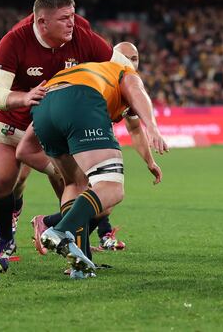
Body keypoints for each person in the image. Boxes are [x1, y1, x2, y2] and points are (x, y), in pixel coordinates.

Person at [0, 0, 112, 273]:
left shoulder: (81, 34)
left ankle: (74, 249)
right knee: (0, 182)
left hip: (56, 129)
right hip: (14, 124)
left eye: (72, 15)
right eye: (64, 18)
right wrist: (24, 97)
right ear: (42, 23)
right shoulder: (14, 40)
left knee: (85, 196)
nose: (72, 23)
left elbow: (114, 67)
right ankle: (4, 240)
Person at [9, 0, 126, 253]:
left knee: (78, 182)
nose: (64, 3)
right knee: (23, 177)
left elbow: (110, 63)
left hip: (72, 110)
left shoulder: (79, 28)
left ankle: (80, 243)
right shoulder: (22, 32)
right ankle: (37, 225)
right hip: (38, 110)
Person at [27, 42, 162, 261]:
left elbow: (25, 149)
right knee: (111, 189)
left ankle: (80, 259)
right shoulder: (123, 73)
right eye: (125, 57)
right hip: (80, 103)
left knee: (75, 184)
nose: (130, 62)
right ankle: (59, 229)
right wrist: (154, 128)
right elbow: (138, 92)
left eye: (134, 58)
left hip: (43, 106)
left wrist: (149, 161)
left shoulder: (90, 73)